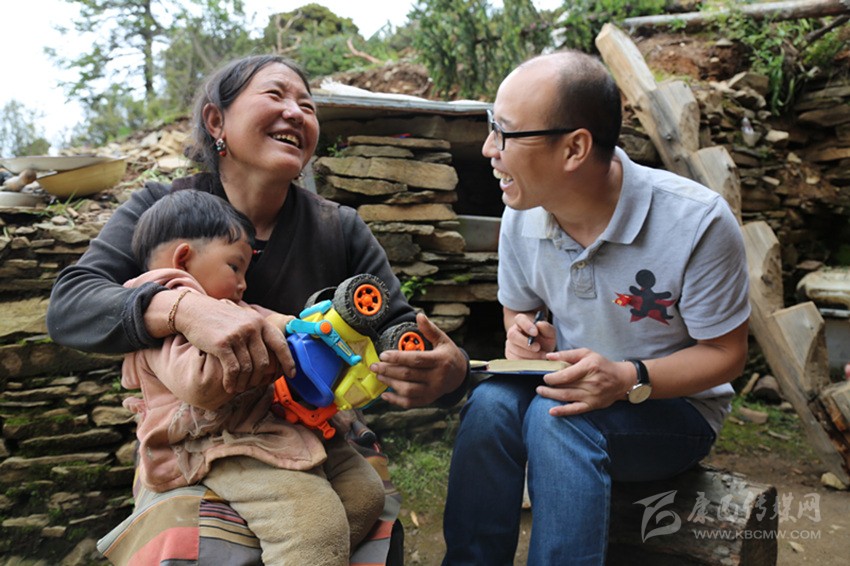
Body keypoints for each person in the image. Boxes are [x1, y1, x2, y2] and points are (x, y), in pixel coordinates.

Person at [46, 54, 469, 564]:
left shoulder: (338, 228)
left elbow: (401, 331)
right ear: (216, 121)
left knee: (364, 513)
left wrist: (448, 372)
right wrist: (182, 308)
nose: (296, 112)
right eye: (275, 94)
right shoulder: (162, 212)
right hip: (199, 437)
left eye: (307, 106)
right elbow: (71, 305)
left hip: (314, 427)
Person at [442, 50, 750, 565]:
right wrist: (526, 336)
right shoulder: (522, 214)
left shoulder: (697, 222)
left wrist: (627, 377)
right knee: (491, 405)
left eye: (505, 133)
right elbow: (518, 314)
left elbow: (726, 354)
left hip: (671, 408)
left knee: (557, 421)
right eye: (492, 126)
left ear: (575, 148)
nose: (488, 148)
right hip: (569, 387)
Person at [121, 188, 386, 564]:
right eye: (235, 267)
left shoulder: (233, 306)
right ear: (183, 259)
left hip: (267, 428)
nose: (244, 283)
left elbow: (271, 318)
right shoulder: (163, 322)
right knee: (314, 526)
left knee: (365, 494)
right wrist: (270, 346)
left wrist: (306, 326)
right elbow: (200, 386)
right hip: (215, 445)